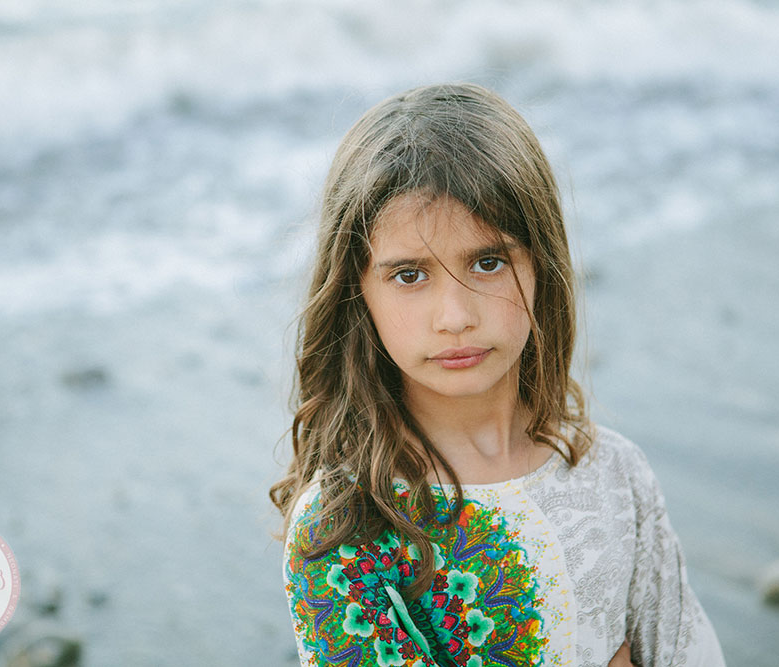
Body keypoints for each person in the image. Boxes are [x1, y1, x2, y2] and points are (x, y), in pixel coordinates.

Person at [270, 83, 725, 667]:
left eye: (488, 262)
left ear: (542, 266)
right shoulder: (345, 530)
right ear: (358, 293)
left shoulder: (615, 475)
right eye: (409, 275)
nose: (456, 317)